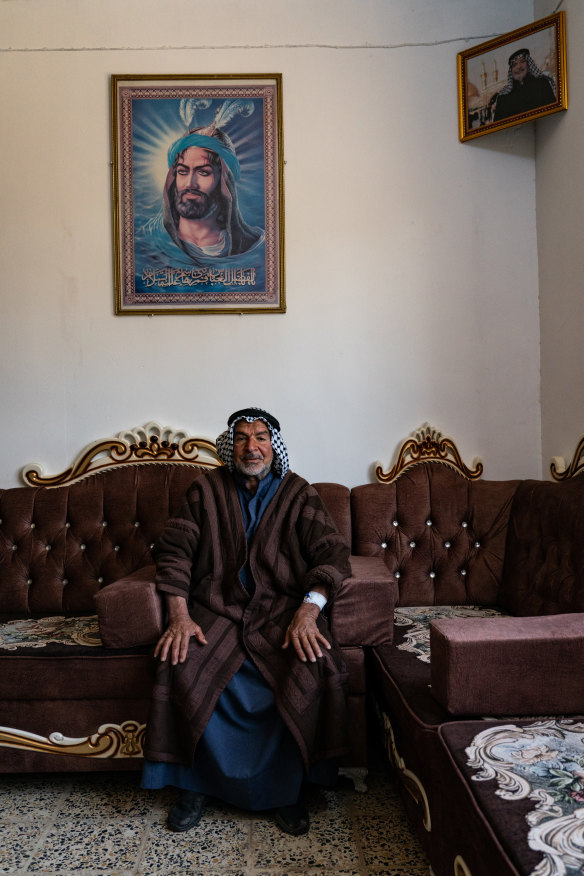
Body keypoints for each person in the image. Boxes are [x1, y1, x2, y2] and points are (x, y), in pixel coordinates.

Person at [142, 408, 351, 836]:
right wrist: (179, 616)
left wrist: (309, 612)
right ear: (229, 445)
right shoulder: (205, 490)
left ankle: (289, 789)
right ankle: (194, 785)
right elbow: (174, 552)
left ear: (273, 445)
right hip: (217, 607)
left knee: (306, 662)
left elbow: (332, 555)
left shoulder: (299, 493)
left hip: (281, 610)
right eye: (241, 438)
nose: (251, 447)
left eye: (259, 437)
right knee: (183, 658)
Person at [134, 104, 266, 295]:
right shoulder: (146, 241)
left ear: (225, 182)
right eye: (182, 171)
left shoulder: (254, 249)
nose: (190, 183)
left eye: (203, 172)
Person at [493, 47, 556, 122]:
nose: (519, 67)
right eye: (514, 64)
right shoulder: (503, 98)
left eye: (522, 61)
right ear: (511, 70)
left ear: (529, 64)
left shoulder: (542, 84)